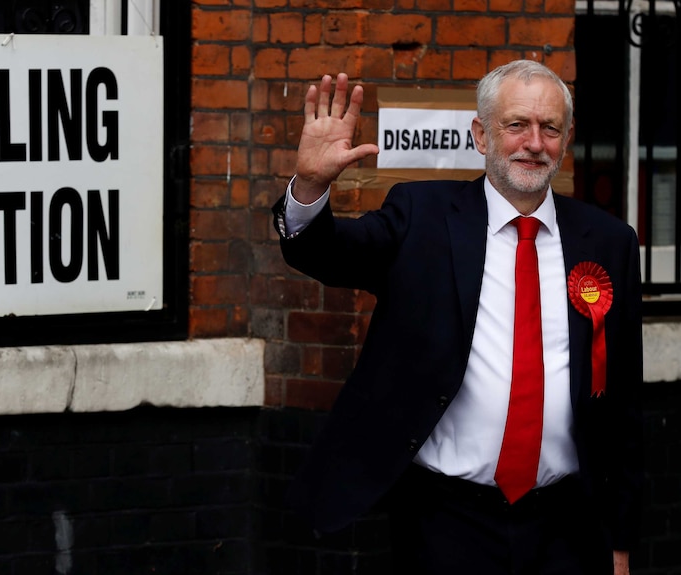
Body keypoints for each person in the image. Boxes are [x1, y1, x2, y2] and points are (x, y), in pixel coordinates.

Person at [272, 60, 643, 575]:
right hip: (446, 522)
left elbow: (622, 406)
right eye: (516, 125)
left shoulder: (609, 243)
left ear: (566, 138)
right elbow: (327, 254)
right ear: (481, 135)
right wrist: (310, 189)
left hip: (566, 525)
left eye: (549, 128)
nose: (534, 142)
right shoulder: (420, 215)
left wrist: (619, 541)